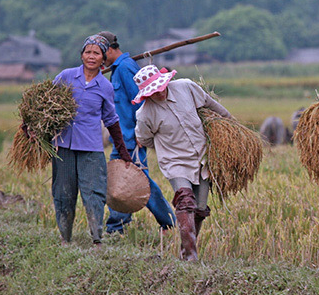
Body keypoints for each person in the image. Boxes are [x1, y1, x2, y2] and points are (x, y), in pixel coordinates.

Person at [133, 64, 235, 261]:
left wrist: (231, 122)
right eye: (153, 91)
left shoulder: (186, 87)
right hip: (175, 162)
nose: (159, 93)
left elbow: (209, 103)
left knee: (200, 208)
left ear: (166, 82)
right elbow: (144, 139)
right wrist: (166, 146)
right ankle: (190, 257)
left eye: (161, 88)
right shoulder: (145, 114)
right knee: (185, 201)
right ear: (147, 94)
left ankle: (185, 250)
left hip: (202, 157)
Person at [51, 34, 132, 246]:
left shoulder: (105, 86)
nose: (91, 56)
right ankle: (64, 238)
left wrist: (123, 152)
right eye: (88, 52)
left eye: (97, 53)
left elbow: (112, 121)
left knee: (94, 194)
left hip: (91, 149)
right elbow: (46, 105)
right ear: (81, 55)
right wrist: (31, 128)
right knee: (63, 194)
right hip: (64, 147)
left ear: (104, 58)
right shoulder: (66, 77)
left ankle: (97, 238)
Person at [98, 31, 176, 235]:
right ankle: (164, 222)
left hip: (131, 139)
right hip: (121, 139)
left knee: (135, 183)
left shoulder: (125, 68)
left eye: (100, 54)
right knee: (125, 181)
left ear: (110, 50)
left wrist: (141, 135)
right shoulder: (117, 69)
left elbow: (141, 102)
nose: (99, 60)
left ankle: (119, 227)